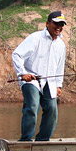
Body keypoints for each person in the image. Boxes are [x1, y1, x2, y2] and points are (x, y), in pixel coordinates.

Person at [12, 10, 67, 142]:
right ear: (47, 23)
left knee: (52, 110)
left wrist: (59, 85)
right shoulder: (35, 38)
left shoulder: (61, 45)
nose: (59, 27)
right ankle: (25, 140)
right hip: (32, 81)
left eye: (62, 24)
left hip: (50, 83)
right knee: (32, 106)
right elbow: (16, 54)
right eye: (56, 23)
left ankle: (42, 141)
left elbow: (60, 66)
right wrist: (23, 73)